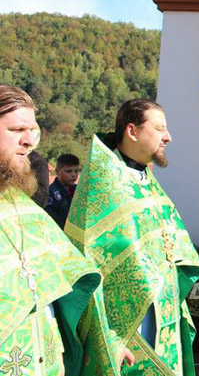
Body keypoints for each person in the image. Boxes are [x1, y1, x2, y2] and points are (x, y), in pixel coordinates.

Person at [64, 99, 199, 375]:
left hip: (164, 309)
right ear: (132, 131)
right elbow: (89, 263)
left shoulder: (145, 180)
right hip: (126, 325)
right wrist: (108, 338)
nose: (168, 137)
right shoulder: (104, 183)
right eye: (159, 128)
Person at [0, 84, 132, 376]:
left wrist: (105, 342)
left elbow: (73, 283)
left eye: (32, 130)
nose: (29, 142)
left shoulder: (25, 208)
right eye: (16, 130)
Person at [45, 153, 80, 228]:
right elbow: (52, 220)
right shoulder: (51, 193)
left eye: (76, 171)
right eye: (68, 171)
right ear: (57, 171)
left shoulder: (79, 190)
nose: (73, 175)